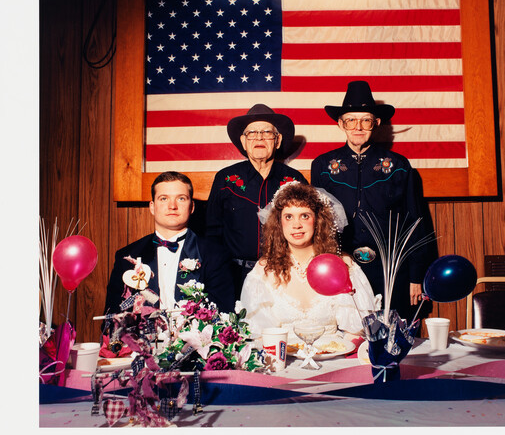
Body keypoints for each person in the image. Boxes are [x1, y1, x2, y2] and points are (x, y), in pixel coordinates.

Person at [310, 80, 436, 324]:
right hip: (343, 266)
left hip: (390, 269)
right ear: (340, 124)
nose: (358, 127)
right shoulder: (323, 166)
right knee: (348, 332)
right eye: (351, 120)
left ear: (376, 124)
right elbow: (318, 223)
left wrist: (416, 276)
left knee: (393, 333)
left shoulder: (398, 166)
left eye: (365, 120)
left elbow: (416, 222)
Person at [240, 182, 377, 337]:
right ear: (279, 223)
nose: (296, 224)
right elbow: (259, 336)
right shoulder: (264, 270)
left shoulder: (341, 265)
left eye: (304, 216)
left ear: (317, 220)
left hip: (334, 357)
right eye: (288, 217)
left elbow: (357, 332)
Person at [206, 103, 306, 295]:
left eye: (267, 132)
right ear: (243, 142)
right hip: (233, 275)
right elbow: (212, 232)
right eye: (252, 133)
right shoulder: (225, 179)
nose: (259, 137)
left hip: (283, 275)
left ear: (277, 141)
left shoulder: (295, 180)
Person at [104, 171, 235, 317]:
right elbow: (111, 318)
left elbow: (224, 318)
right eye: (164, 198)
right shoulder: (127, 257)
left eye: (181, 198)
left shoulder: (216, 255)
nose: (172, 206)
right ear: (152, 207)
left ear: (191, 207)